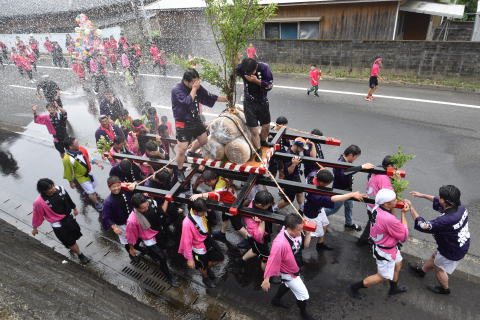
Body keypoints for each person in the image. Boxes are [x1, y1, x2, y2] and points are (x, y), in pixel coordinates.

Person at [408, 185, 470, 295]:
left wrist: (411, 208)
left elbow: (422, 225)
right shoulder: (461, 208)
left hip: (452, 249)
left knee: (439, 268)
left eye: (440, 197)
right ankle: (422, 271)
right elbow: (438, 200)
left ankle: (445, 289)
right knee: (435, 256)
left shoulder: (445, 220)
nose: (438, 198)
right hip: (459, 243)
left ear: (444, 201)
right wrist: (422, 195)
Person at [350, 189, 409, 299]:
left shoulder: (377, 208)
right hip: (385, 251)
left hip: (388, 247)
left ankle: (393, 288)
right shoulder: (389, 219)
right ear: (386, 204)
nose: (397, 200)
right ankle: (354, 287)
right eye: (394, 199)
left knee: (398, 264)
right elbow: (404, 236)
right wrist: (404, 214)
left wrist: (395, 206)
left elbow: (391, 219)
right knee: (382, 276)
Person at [171, 69, 228, 181]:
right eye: (194, 81)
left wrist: (225, 99)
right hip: (182, 122)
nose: (197, 83)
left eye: (197, 81)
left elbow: (208, 96)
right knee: (182, 149)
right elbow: (187, 102)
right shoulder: (177, 89)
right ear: (186, 81)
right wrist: (194, 89)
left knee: (204, 140)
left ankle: (191, 152)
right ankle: (179, 170)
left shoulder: (196, 87)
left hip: (195, 119)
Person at [261, 214, 313, 320]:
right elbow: (272, 260)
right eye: (299, 230)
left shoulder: (295, 231)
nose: (301, 232)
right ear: (289, 229)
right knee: (303, 295)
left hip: (295, 264)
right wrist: (266, 279)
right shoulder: (280, 244)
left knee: (287, 284)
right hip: (288, 272)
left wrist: (308, 234)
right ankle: (303, 313)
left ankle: (276, 300)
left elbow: (304, 246)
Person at [126, 193, 180, 287]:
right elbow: (130, 236)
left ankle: (150, 253)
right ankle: (169, 277)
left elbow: (160, 213)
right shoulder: (132, 221)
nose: (146, 208)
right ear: (135, 207)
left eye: (147, 205)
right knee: (162, 258)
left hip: (158, 231)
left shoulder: (152, 202)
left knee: (163, 249)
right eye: (142, 208)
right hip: (149, 238)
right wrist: (131, 248)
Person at [32, 178, 90, 265]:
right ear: (43, 191)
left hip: (69, 218)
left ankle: (70, 246)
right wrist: (35, 228)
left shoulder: (60, 189)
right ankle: (80, 255)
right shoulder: (39, 202)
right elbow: (37, 215)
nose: (53, 189)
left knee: (75, 235)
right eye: (50, 189)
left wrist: (74, 208)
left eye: (53, 186)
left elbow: (68, 199)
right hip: (58, 225)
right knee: (71, 241)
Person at [305, 168, 365, 251]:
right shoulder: (316, 196)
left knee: (325, 224)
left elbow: (318, 171)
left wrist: (324, 171)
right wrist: (351, 194)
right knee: (313, 234)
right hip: (312, 214)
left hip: (317, 209)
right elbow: (333, 199)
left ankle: (320, 244)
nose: (329, 185)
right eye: (328, 184)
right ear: (322, 183)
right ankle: (299, 245)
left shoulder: (311, 175)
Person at [190, 170, 250, 249]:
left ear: (211, 180)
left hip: (232, 203)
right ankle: (222, 233)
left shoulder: (220, 187)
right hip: (229, 201)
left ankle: (249, 240)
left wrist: (199, 195)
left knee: (237, 225)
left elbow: (214, 194)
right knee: (225, 218)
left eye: (206, 182)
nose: (205, 183)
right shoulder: (220, 178)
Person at [324, 144, 375, 231]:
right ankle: (316, 217)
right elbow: (344, 174)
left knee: (349, 206)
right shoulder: (340, 162)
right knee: (332, 210)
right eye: (356, 157)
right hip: (340, 191)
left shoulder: (345, 161)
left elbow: (347, 172)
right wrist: (361, 167)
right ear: (351, 155)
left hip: (347, 190)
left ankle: (349, 223)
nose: (355, 159)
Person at [178, 198, 224, 288]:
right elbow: (186, 241)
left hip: (207, 239)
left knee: (219, 257)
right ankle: (205, 277)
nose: (205, 213)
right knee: (202, 264)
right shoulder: (187, 223)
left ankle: (207, 268)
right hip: (198, 247)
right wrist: (189, 259)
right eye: (203, 212)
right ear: (195, 211)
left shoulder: (202, 212)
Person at [236, 58, 274, 155]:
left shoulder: (264, 67)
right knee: (253, 129)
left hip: (262, 101)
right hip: (249, 102)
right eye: (247, 72)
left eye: (251, 72)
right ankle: (258, 150)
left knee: (266, 126)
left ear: (256, 67)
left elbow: (270, 86)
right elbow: (234, 72)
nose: (249, 74)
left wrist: (257, 81)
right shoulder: (241, 67)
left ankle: (263, 141)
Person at [273, 137, 316, 213]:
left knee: (300, 192)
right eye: (302, 148)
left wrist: (308, 143)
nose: (303, 150)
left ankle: (302, 208)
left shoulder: (295, 149)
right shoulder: (289, 156)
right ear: (296, 146)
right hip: (290, 180)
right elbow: (288, 172)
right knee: (288, 200)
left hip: (296, 177)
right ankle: (274, 209)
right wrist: (294, 164)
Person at [102, 176, 140, 260]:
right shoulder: (108, 202)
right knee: (127, 241)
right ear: (109, 188)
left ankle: (136, 247)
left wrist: (134, 184)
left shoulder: (126, 190)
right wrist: (114, 227)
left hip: (133, 219)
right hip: (122, 224)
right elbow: (106, 217)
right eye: (113, 187)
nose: (116, 188)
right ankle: (131, 253)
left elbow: (139, 181)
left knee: (137, 236)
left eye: (118, 185)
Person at [358, 156, 394, 246]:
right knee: (376, 223)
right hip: (377, 206)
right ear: (389, 166)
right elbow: (389, 195)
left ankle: (365, 239)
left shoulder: (375, 171)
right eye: (394, 166)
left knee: (371, 222)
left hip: (370, 202)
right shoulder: (384, 178)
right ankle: (367, 240)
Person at [63, 137, 104, 211]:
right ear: (70, 147)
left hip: (89, 173)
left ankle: (89, 193)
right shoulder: (67, 159)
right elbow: (68, 172)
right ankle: (96, 203)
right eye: (76, 144)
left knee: (94, 185)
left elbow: (89, 158)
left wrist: (97, 163)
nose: (78, 144)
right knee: (91, 192)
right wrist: (71, 182)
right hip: (81, 178)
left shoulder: (82, 149)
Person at [240, 190, 275, 271]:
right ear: (260, 205)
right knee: (265, 257)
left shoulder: (257, 201)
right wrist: (262, 221)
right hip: (257, 239)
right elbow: (258, 237)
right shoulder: (250, 220)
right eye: (268, 205)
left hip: (264, 234)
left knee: (255, 250)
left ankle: (242, 260)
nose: (270, 206)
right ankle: (266, 275)